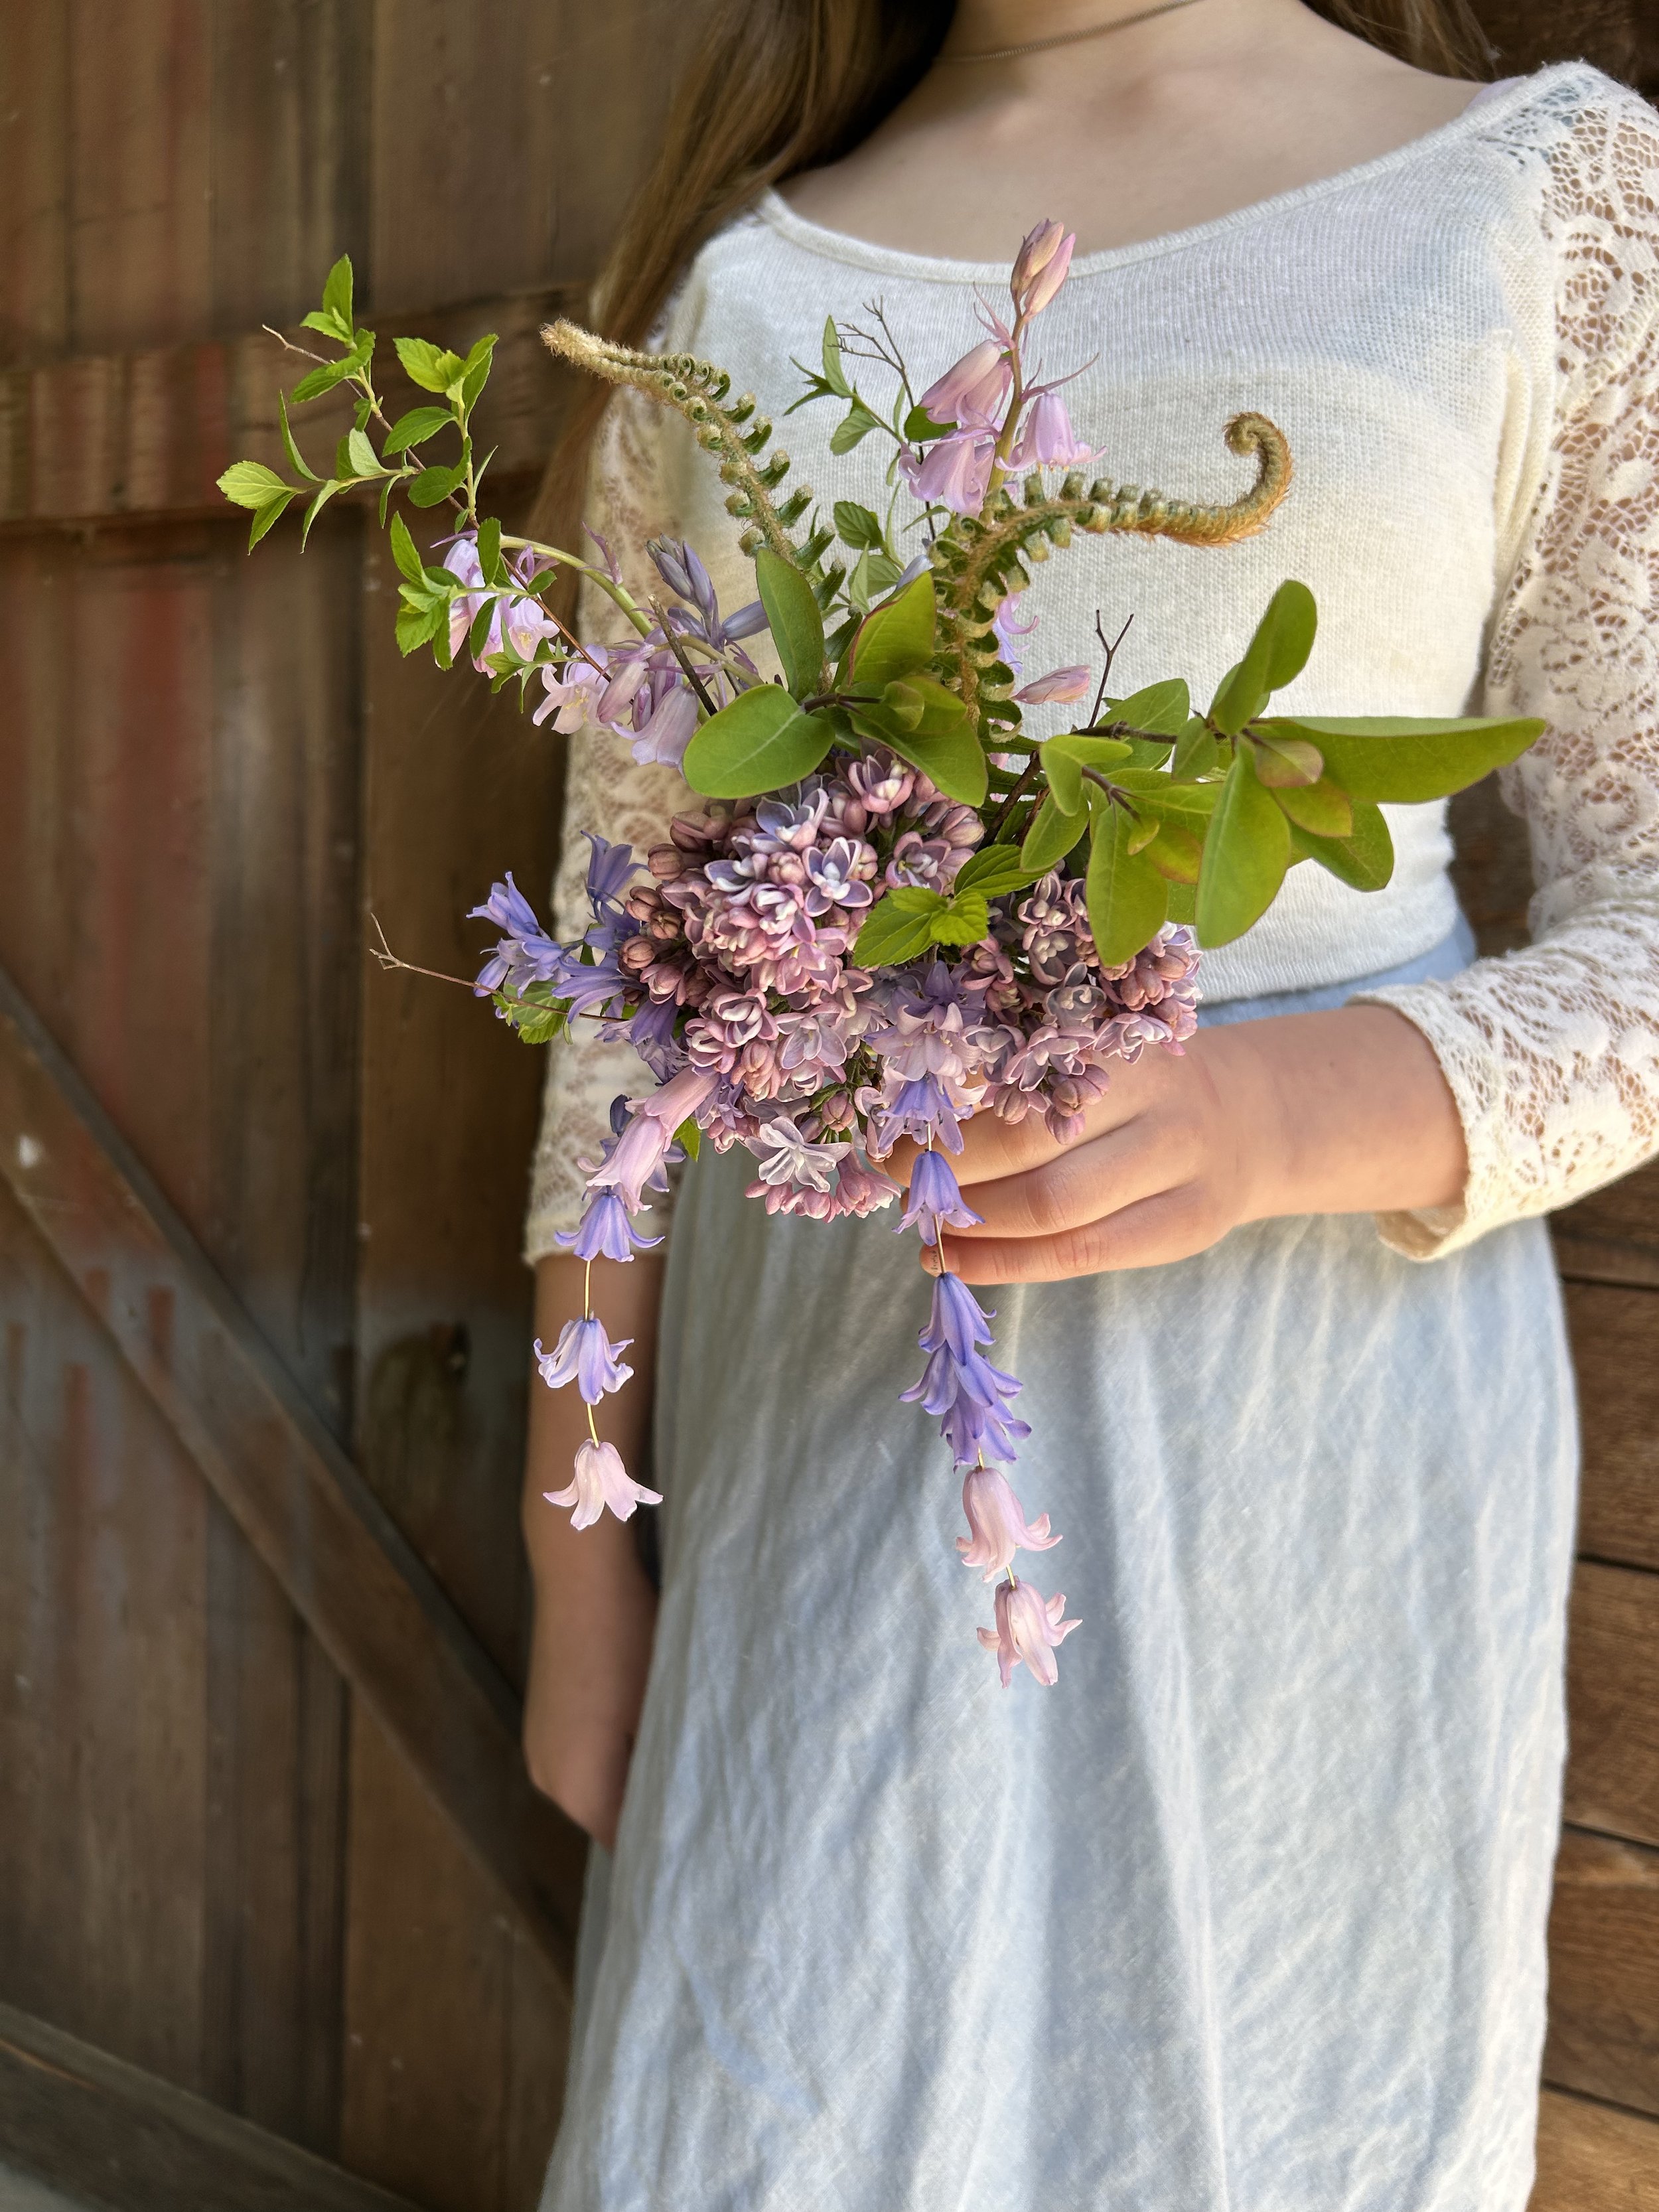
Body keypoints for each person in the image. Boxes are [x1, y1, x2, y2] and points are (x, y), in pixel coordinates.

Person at [520, 3, 1659, 2205]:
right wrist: (582, 1560)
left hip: (1314, 1463)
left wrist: (1286, 1107)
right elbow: (621, 1001)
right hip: (832, 1434)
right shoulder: (748, 291)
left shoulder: (1542, 197)